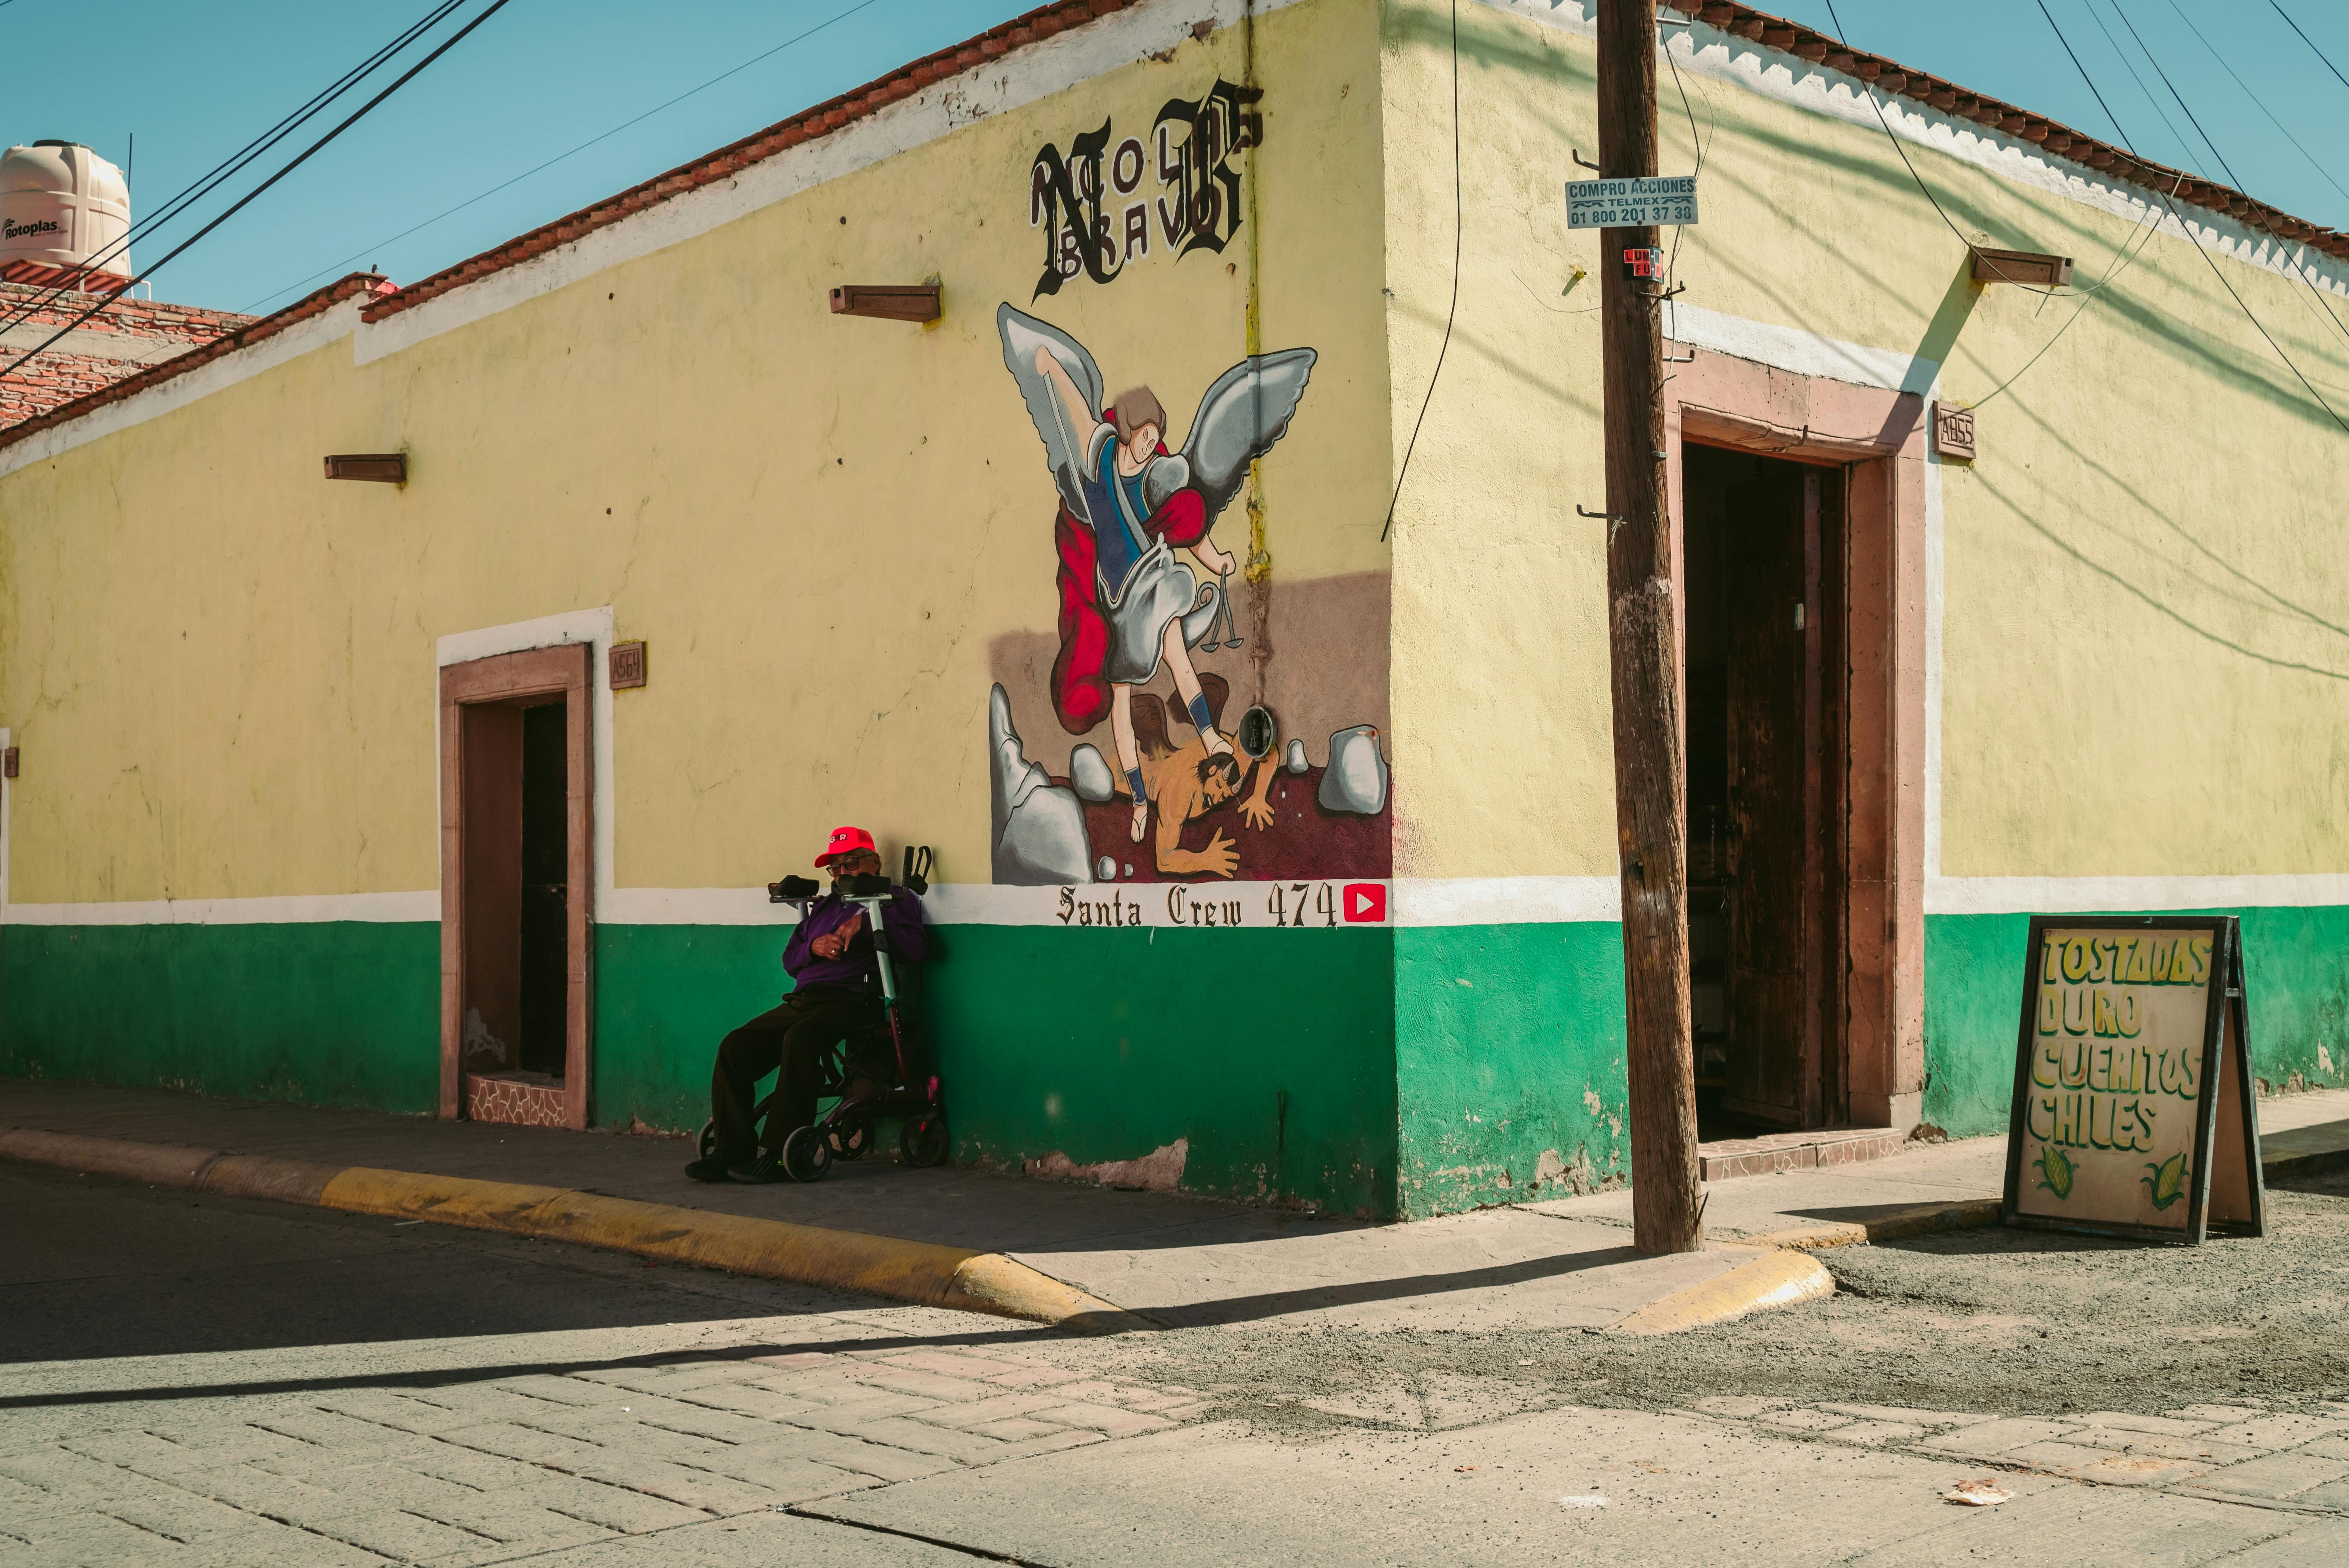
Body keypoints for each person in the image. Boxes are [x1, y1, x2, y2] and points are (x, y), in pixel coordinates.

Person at [684, 825, 929, 1183]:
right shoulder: (826, 906)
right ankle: (732, 1150)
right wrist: (813, 948)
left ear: (874, 862)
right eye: (836, 868)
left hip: (853, 998)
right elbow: (790, 959)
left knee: (800, 1040)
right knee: (734, 1047)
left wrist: (866, 924)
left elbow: (917, 950)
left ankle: (781, 1155)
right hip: (805, 999)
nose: (844, 873)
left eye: (852, 864)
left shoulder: (894, 900)